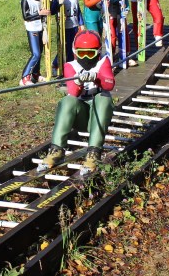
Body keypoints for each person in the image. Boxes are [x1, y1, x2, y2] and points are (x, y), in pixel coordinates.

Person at [37, 30, 116, 177]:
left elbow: (109, 84)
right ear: (75, 52)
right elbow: (73, 92)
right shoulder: (70, 66)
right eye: (82, 53)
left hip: (97, 113)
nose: (86, 57)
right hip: (80, 115)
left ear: (98, 52)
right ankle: (57, 149)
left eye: (90, 53)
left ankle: (94, 152)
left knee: (104, 97)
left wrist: (97, 77)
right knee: (67, 100)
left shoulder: (102, 62)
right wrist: (78, 80)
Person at [20, 0, 50, 85]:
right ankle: (24, 77)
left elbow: (44, 2)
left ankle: (35, 74)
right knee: (35, 54)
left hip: (40, 27)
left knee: (40, 53)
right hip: (32, 29)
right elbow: (26, 16)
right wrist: (39, 14)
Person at [50, 0, 81, 77]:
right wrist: (57, 3)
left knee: (73, 47)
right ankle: (56, 64)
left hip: (74, 25)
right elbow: (52, 10)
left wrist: (81, 23)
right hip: (65, 26)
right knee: (65, 47)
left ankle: (70, 66)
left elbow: (78, 11)